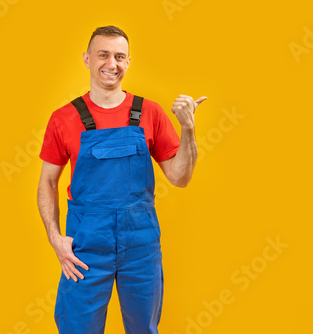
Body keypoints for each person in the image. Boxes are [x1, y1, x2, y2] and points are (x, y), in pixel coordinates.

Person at [37, 25, 206, 334]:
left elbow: (180, 178)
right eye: (103, 55)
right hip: (85, 248)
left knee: (144, 329)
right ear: (87, 59)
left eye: (119, 56)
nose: (111, 64)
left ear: (128, 62)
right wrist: (54, 237)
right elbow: (48, 182)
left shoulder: (150, 113)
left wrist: (188, 130)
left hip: (140, 247)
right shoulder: (63, 118)